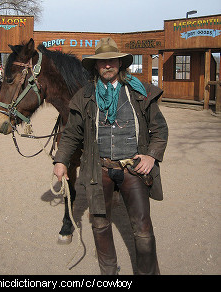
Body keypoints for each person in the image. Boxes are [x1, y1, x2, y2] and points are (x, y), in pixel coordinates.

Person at [53, 37, 168, 275]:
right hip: (99, 170)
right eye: (102, 62)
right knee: (100, 225)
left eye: (111, 61)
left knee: (143, 228)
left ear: (120, 63)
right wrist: (61, 160)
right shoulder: (85, 96)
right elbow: (72, 133)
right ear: (96, 66)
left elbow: (160, 130)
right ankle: (108, 274)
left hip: (134, 170)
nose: (107, 66)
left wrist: (151, 156)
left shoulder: (140, 92)